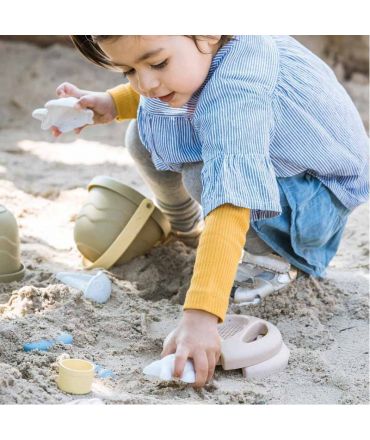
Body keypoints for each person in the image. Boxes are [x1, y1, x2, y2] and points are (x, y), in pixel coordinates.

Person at [52, 35, 369, 387]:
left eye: (157, 64)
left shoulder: (239, 90)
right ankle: (187, 227)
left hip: (314, 201)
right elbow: (165, 85)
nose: (145, 83)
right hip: (284, 166)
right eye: (128, 69)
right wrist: (111, 103)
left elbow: (231, 197)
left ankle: (275, 263)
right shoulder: (201, 49)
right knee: (142, 130)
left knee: (207, 177)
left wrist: (202, 315)